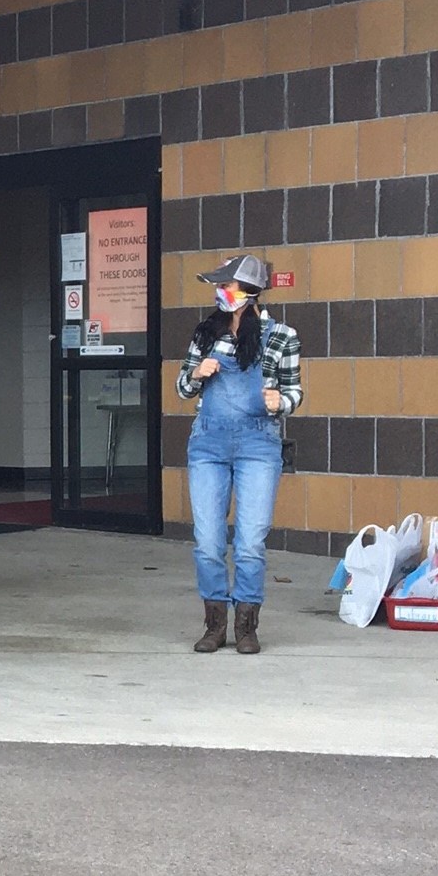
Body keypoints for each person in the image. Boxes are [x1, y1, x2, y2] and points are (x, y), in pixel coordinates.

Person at [175, 253, 301, 655]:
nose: (220, 293)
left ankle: (247, 627)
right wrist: (196, 374)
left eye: (227, 286)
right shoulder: (205, 334)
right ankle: (215, 625)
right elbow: (182, 388)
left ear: (250, 292)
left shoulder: (282, 336)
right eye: (219, 286)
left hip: (258, 444)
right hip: (208, 443)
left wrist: (278, 401)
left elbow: (296, 392)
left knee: (249, 541)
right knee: (208, 541)